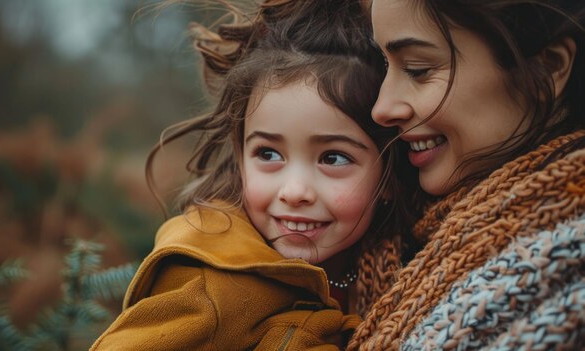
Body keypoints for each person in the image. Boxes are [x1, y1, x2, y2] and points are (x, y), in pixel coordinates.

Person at [91, 1, 419, 350]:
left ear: (389, 174)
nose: (294, 192)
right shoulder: (212, 285)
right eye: (269, 154)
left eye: (333, 158)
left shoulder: (405, 267)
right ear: (240, 155)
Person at [349, 1, 585, 350]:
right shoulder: (394, 236)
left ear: (549, 67)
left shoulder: (567, 278)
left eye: (417, 69)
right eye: (385, 64)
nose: (381, 108)